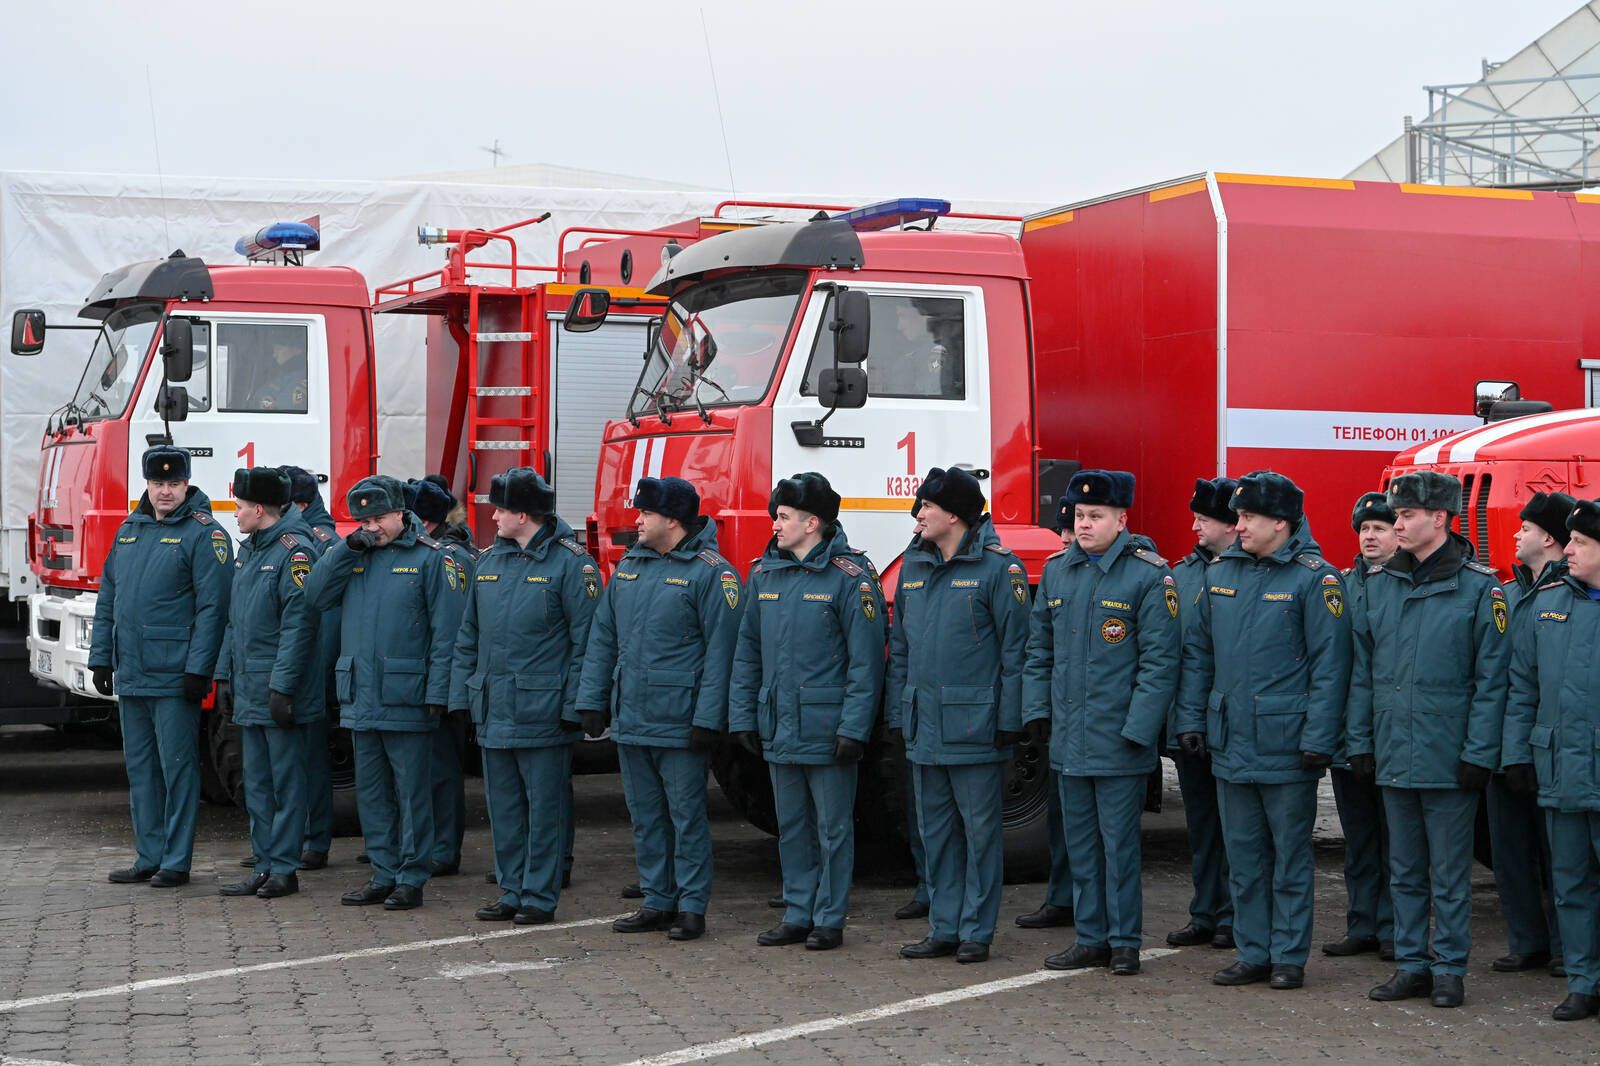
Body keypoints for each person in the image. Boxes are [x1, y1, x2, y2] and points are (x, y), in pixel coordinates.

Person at [1175, 471, 1350, 991]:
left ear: (1281, 522)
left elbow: (1331, 668)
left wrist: (1320, 738)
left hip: (1287, 744)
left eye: (1249, 517)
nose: (1239, 525)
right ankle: (1253, 951)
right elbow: (1198, 654)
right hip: (1230, 740)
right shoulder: (1221, 574)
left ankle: (1289, 957)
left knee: (1289, 858)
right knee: (1245, 856)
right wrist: (1190, 719)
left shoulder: (1315, 580)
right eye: (1238, 516)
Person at [1347, 471, 1508, 1009]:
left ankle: (1449, 970)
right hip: (1394, 750)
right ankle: (1412, 965)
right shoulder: (1380, 584)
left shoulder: (1480, 589)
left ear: (1437, 519)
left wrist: (1479, 754)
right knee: (1405, 870)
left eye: (1405, 516)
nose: (1396, 525)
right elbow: (1363, 672)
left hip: (1449, 758)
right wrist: (1361, 741)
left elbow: (1493, 683)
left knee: (1449, 874)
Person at [1023, 470, 1180, 976]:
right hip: (1070, 740)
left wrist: (1138, 732)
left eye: (1096, 516)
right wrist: (1036, 713)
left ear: (1121, 519)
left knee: (1119, 848)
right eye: (1079, 516)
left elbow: (1160, 664)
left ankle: (1124, 942)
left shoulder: (1149, 576)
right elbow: (1038, 649)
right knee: (1081, 847)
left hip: (1118, 741)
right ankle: (1089, 937)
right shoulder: (1057, 571)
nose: (1084, 524)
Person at [576, 476, 743, 941]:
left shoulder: (713, 574)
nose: (637, 520)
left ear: (672, 520)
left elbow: (721, 656)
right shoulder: (631, 567)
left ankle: (691, 906)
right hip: (633, 717)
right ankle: (657, 900)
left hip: (680, 722)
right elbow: (603, 637)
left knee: (685, 817)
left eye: (645, 514)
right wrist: (592, 700)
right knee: (646, 815)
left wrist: (710, 720)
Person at [728, 473, 885, 951]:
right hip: (779, 722)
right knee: (791, 824)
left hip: (828, 726)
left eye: (784, 517)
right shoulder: (765, 573)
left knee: (833, 828)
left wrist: (855, 728)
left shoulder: (850, 578)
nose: (776, 525)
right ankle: (797, 911)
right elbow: (747, 652)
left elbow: (867, 662)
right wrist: (742, 717)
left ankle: (829, 917)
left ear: (812, 523)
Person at [887, 467, 1029, 965]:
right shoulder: (914, 565)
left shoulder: (998, 569)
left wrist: (1011, 719)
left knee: (980, 834)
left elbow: (1018, 652)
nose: (918, 513)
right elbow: (900, 648)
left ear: (953, 515)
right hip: (925, 726)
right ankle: (943, 926)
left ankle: (976, 930)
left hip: (977, 729)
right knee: (935, 833)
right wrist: (898, 710)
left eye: (926, 506)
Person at [308, 475, 466, 911]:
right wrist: (346, 547)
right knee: (372, 793)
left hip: (408, 696)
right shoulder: (354, 554)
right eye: (362, 519)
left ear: (401, 513)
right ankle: (383, 872)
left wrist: (440, 694)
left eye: (378, 518)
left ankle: (412, 877)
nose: (370, 527)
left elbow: (446, 633)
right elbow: (315, 594)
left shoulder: (431, 559)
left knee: (412, 793)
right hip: (361, 694)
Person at [451, 468, 596, 925]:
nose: (492, 517)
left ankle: (539, 894)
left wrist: (577, 707)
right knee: (505, 808)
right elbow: (468, 636)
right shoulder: (489, 562)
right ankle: (511, 889)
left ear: (523, 514)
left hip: (543, 711)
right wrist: (462, 698)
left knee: (545, 811)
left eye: (500, 509)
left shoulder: (573, 565)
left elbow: (587, 644)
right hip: (494, 709)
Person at [91, 445, 233, 888]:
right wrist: (100, 658)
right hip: (133, 673)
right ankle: (147, 855)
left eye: (173, 483)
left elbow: (214, 609)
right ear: (147, 485)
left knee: (178, 768)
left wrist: (198, 670)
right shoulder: (129, 530)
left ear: (187, 483)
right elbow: (108, 598)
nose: (165, 491)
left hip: (175, 676)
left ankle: (176, 860)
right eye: (157, 483)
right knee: (141, 769)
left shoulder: (205, 534)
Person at [1502, 497, 1600, 1021]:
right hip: (1560, 768)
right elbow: (1522, 687)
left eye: (1582, 543)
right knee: (1572, 883)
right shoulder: (1548, 603)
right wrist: (1519, 755)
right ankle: (1584, 981)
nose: (1571, 552)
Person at [213, 468, 321, 899]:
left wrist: (284, 688)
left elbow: (299, 627)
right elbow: (234, 622)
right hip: (248, 688)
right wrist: (223, 675)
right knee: (256, 782)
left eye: (239, 507)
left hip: (277, 691)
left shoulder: (296, 554)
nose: (235, 514)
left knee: (286, 783)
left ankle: (285, 868)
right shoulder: (250, 551)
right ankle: (264, 863)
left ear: (259, 510)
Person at [1487, 490, 1574, 977]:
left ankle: (1566, 946)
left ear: (1548, 538)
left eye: (1525, 528)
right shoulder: (1513, 591)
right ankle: (1528, 941)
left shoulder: (1569, 594)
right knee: (1511, 852)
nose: (1517, 534)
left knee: (1559, 854)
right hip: (1508, 744)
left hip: (1549, 746)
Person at [1164, 476, 1238, 951]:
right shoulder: (1183, 573)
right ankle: (1204, 911)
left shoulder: (1242, 574)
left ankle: (1233, 914)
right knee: (1202, 826)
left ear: (1231, 525)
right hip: (1189, 723)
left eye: (1204, 518)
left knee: (1237, 830)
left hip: (1230, 724)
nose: (1194, 525)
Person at [1323, 492, 1397, 961]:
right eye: (1364, 529)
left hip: (1389, 734)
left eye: (1380, 528)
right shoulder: (1342, 585)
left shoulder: (1405, 585)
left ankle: (1393, 929)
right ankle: (1362, 924)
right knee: (1359, 837)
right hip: (1347, 734)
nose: (1369, 536)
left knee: (1396, 841)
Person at [407, 475, 477, 878]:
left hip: (441, 681)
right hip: (422, 678)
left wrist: (447, 691)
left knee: (441, 770)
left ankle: (445, 848)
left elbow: (452, 631)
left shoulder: (450, 557)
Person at [279, 464, 338, 870]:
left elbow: (318, 615)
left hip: (313, 665)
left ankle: (314, 841)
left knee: (310, 759)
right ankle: (290, 840)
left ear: (298, 503)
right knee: (290, 761)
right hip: (302, 662)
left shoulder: (317, 543)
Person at [244, 336, 309, 412]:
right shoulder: (278, 374)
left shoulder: (301, 379)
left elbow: (286, 409)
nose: (274, 354)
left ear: (296, 349)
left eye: (278, 348)